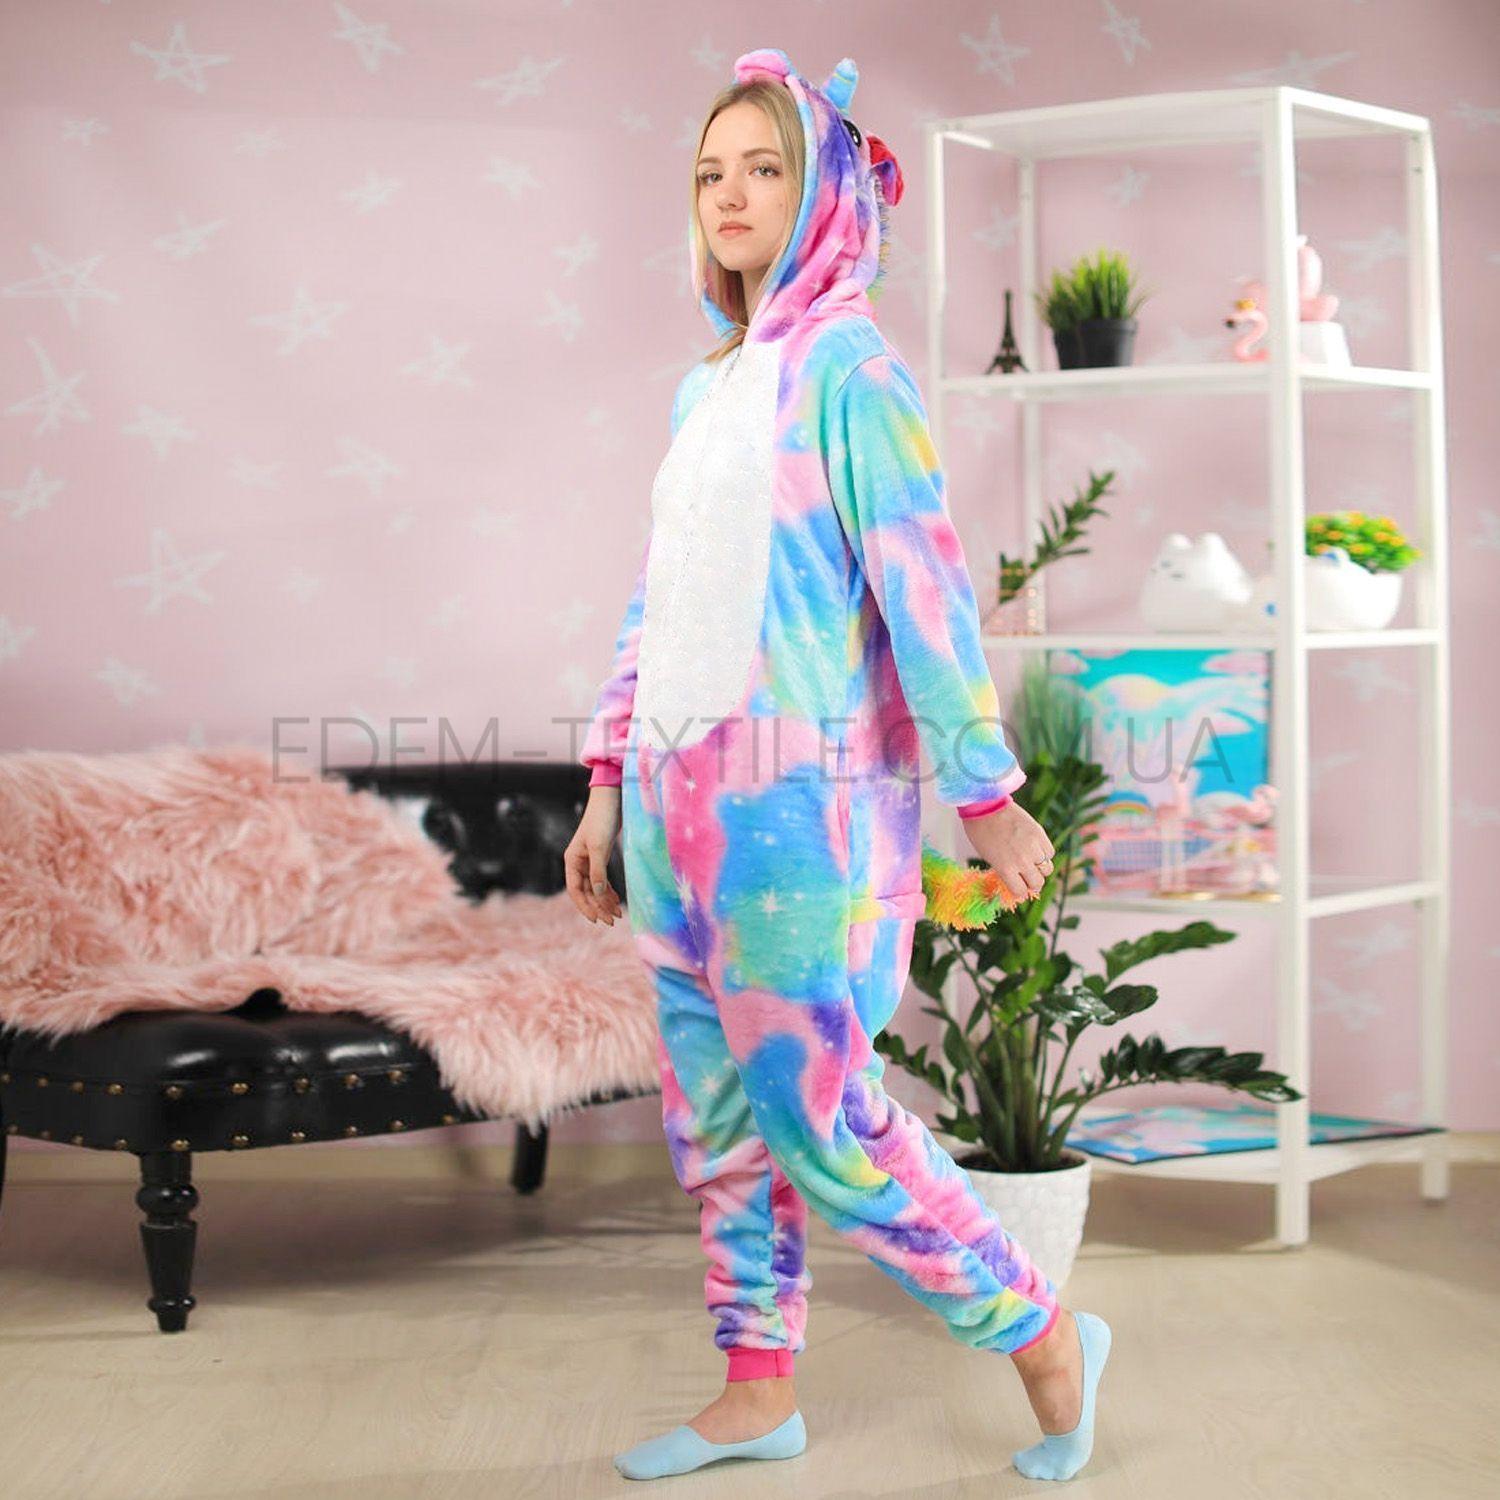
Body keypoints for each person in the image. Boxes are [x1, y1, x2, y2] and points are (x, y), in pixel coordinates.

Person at [565, 47, 1112, 1484]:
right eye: (711, 173)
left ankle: (1041, 1326)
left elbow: (925, 586)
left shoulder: (854, 372)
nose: (731, 194)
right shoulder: (708, 391)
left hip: (799, 821)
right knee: (721, 1128)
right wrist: (607, 786)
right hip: (674, 813)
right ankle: (758, 1392)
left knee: (825, 1122)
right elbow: (657, 606)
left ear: (823, 197)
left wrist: (983, 790)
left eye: (766, 168)